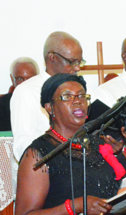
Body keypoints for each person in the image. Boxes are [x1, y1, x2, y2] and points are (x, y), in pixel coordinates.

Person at [14, 74, 119, 215]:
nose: (78, 101)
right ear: (49, 108)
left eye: (82, 96)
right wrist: (75, 206)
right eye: (67, 96)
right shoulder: (39, 154)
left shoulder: (97, 145)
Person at [11, 31, 85, 161]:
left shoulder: (79, 89)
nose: (78, 68)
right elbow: (22, 147)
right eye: (72, 62)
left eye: (80, 62)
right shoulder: (26, 91)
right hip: (44, 167)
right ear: (52, 58)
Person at [0, 57, 38, 132]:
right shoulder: (2, 105)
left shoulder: (47, 104)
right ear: (12, 79)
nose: (25, 84)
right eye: (20, 79)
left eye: (30, 79)